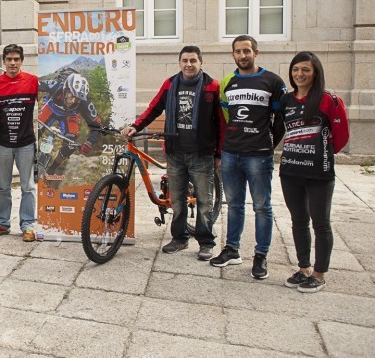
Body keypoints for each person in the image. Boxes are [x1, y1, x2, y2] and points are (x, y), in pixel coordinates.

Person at [121, 46, 223, 261]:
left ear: (201, 63)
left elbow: (221, 122)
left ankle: (206, 242)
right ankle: (179, 238)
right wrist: (136, 126)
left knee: (204, 201)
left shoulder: (212, 86)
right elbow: (154, 108)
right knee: (177, 200)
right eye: (185, 60)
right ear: (179, 63)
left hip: (201, 153)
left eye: (193, 60)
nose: (189, 64)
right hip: (176, 153)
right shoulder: (170, 84)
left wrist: (219, 153)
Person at [210, 35, 286, 280]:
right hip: (232, 153)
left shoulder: (272, 81)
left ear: (256, 52)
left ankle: (261, 255)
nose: (243, 55)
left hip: (259, 155)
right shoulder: (227, 82)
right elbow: (226, 116)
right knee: (233, 205)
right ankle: (232, 249)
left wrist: (268, 143)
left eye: (247, 51)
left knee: (262, 207)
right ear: (233, 55)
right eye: (238, 52)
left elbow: (281, 120)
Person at [279, 52, 349, 293]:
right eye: (296, 69)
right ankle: (304, 268)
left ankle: (319, 273)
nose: (300, 74)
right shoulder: (286, 101)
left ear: (315, 72)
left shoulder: (330, 100)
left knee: (321, 223)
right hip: (290, 171)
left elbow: (341, 138)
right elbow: (280, 130)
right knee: (298, 221)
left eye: (306, 70)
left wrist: (322, 153)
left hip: (319, 173)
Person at [0, 44, 39, 242]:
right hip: (2, 143)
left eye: (16, 59)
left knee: (28, 187)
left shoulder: (33, 82)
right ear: (4, 61)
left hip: (26, 143)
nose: (13, 63)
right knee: (3, 187)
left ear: (22, 61)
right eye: (9, 59)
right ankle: (2, 223)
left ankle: (28, 225)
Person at [37, 68, 103, 183]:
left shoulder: (84, 102)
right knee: (36, 129)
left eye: (77, 99)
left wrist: (89, 142)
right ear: (65, 88)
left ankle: (51, 171)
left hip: (70, 114)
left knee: (71, 144)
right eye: (71, 95)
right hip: (51, 106)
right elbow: (36, 85)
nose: (72, 101)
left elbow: (97, 126)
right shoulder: (57, 85)